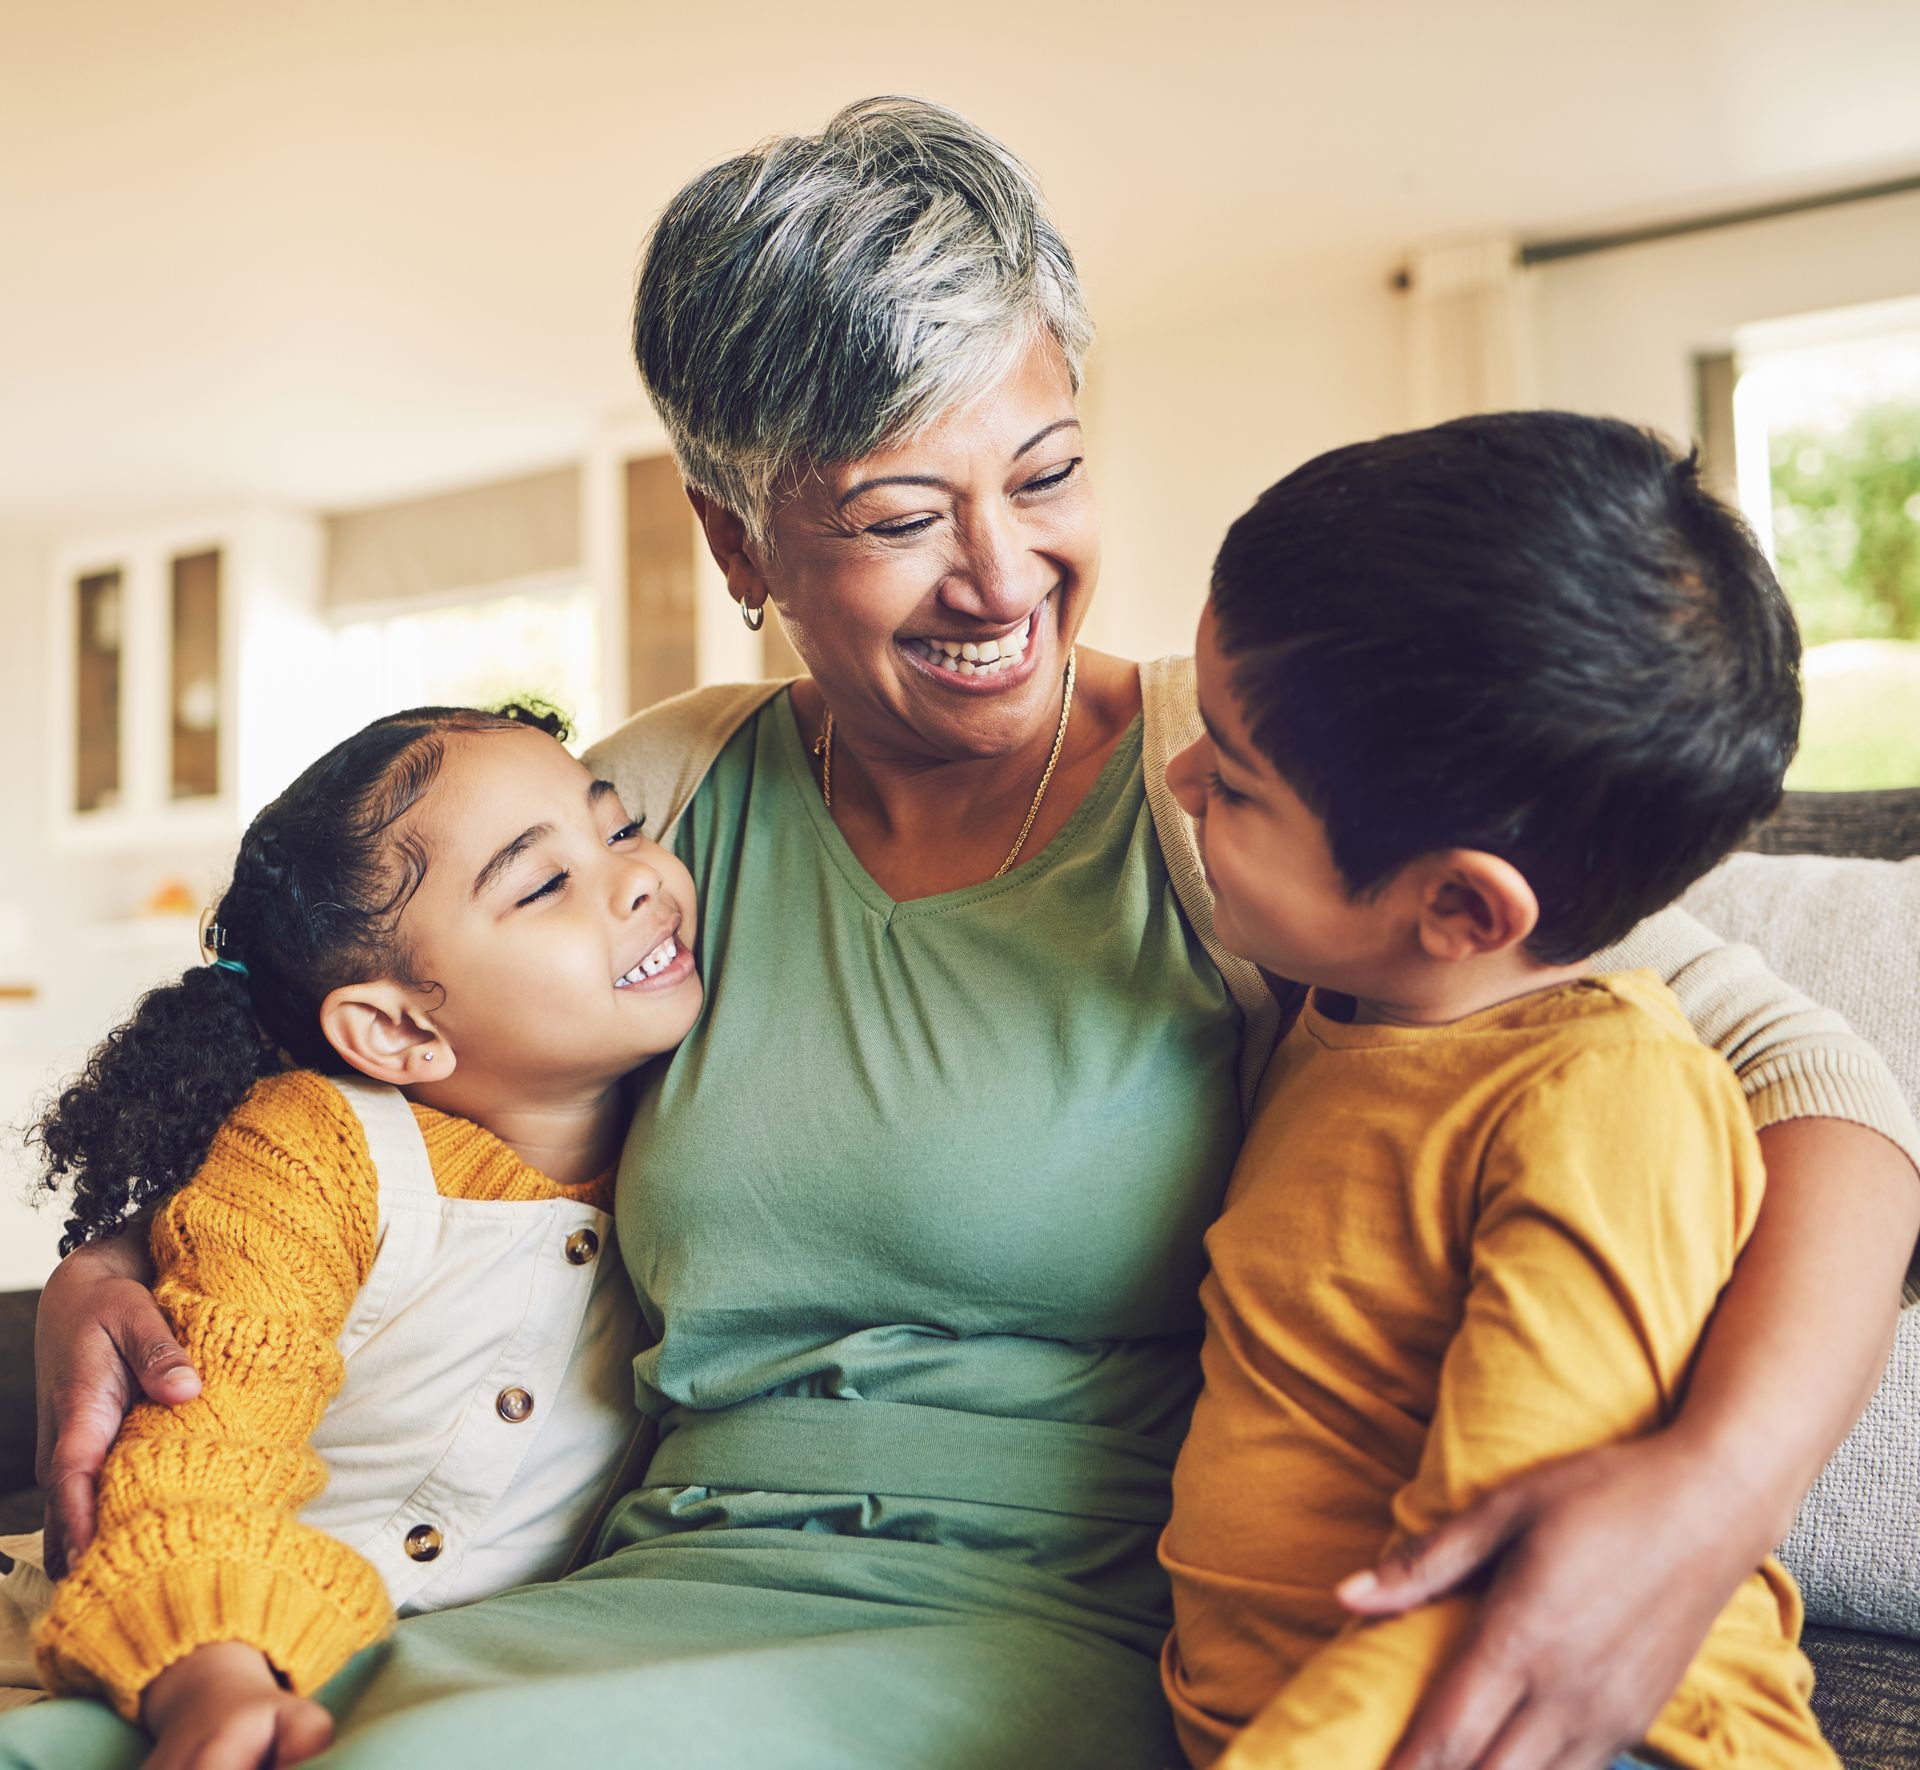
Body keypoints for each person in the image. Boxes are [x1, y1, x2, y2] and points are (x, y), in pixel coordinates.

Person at [7, 99, 1916, 1770]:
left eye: (1050, 471)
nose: (1002, 574)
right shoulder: (649, 810)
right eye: (903, 512)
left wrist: (1702, 1495)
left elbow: (1810, 1084)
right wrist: (122, 1258)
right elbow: (381, 1041)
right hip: (635, 1585)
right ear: (740, 545)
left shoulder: (1256, 798)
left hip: (1022, 1637)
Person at [1159, 412, 1835, 1769]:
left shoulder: (1605, 1099)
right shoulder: (1345, 1014)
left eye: (1231, 783)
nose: (1176, 781)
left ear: (1461, 905)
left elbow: (1499, 1585)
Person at [12, 704, 699, 1769]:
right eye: (544, 884)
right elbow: (204, 1459)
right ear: (397, 1030)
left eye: (616, 832)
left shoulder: (696, 1138)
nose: (641, 877)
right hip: (153, 1653)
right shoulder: (312, 1153)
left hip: (448, 1683)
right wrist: (212, 1675)